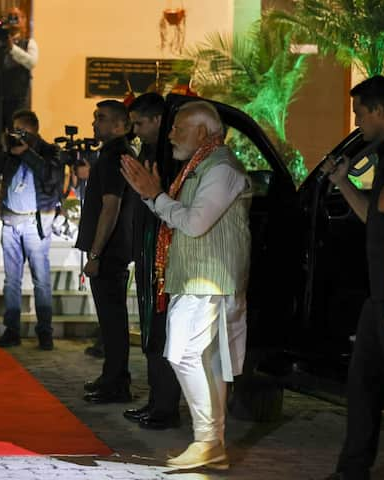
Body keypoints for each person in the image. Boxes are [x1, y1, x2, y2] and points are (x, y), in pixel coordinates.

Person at [121, 100, 251, 470]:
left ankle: (209, 441)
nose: (172, 134)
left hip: (207, 281)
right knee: (205, 362)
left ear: (201, 131)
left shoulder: (221, 167)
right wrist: (153, 196)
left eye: (178, 127)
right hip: (195, 279)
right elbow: (179, 216)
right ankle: (211, 444)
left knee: (183, 353)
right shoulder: (200, 166)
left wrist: (155, 196)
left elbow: (194, 223)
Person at [321, 75, 384, 480]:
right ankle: (351, 471)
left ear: (381, 110)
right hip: (378, 291)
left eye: (360, 113)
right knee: (362, 383)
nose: (358, 123)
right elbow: (375, 219)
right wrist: (344, 184)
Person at [121, 93, 182, 430]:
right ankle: (157, 401)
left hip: (163, 253)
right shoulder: (147, 150)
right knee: (150, 329)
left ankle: (165, 406)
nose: (137, 131)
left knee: (161, 331)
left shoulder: (169, 155)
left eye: (141, 124)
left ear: (158, 120)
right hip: (147, 251)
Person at [0, 110, 62, 350]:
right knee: (12, 280)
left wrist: (27, 153)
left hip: (35, 223)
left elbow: (51, 177)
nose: (16, 135)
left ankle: (45, 332)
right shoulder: (9, 150)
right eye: (14, 130)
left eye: (21, 131)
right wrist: (3, 148)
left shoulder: (49, 151)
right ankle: (12, 330)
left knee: (41, 280)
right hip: (10, 220)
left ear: (32, 131)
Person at [77, 99, 135, 403]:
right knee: (110, 319)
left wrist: (96, 254)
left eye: (101, 118)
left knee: (113, 320)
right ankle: (111, 376)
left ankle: (116, 382)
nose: (94, 123)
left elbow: (111, 207)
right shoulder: (112, 154)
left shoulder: (116, 156)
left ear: (119, 125)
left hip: (111, 252)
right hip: (111, 250)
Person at [0, 6, 38, 193]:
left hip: (17, 102)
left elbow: (31, 62)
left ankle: (14, 180)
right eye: (10, 18)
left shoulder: (29, 43)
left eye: (16, 17)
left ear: (24, 20)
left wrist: (12, 48)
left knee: (16, 140)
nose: (13, 21)